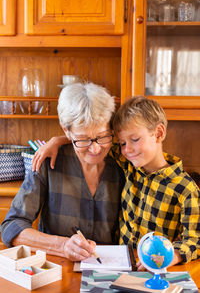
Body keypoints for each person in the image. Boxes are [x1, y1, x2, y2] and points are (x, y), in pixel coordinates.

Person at [30, 96, 200, 269]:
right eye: (123, 143)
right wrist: (58, 140)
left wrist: (173, 256)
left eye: (135, 140)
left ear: (158, 133)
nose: (127, 149)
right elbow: (92, 141)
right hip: (121, 265)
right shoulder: (129, 164)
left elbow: (195, 240)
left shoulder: (185, 189)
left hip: (157, 269)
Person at [1, 82, 125, 262]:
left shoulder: (123, 164)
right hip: (58, 272)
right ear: (66, 130)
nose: (95, 149)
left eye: (102, 136)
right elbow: (11, 226)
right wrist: (62, 246)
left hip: (111, 273)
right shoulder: (49, 163)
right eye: (83, 140)